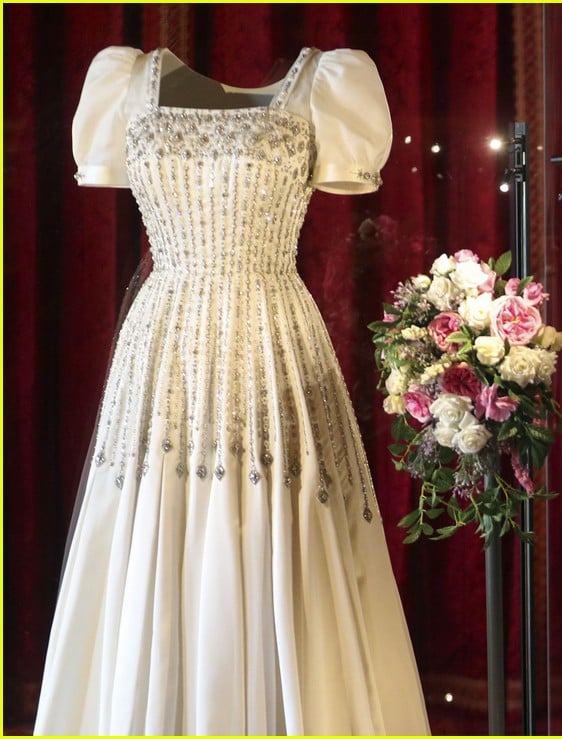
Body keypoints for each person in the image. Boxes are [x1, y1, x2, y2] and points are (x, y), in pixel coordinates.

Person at [35, 46, 431, 734]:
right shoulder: (124, 82)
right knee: (158, 514)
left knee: (280, 510)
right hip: (165, 343)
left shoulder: (328, 85)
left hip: (271, 334)